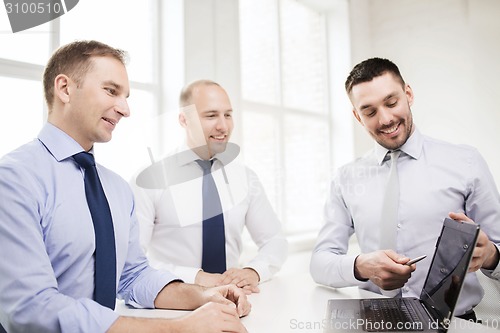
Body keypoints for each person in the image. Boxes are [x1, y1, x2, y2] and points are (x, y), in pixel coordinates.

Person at [0, 40, 250, 333]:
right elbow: (33, 309)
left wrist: (201, 296)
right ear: (65, 88)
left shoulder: (116, 188)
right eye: (111, 90)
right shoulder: (14, 180)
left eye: (126, 96)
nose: (125, 108)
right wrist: (179, 328)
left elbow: (133, 276)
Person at [310, 57, 500, 320]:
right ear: (357, 116)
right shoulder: (346, 178)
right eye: (370, 111)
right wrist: (360, 266)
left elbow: (498, 249)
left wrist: (491, 255)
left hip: (454, 324)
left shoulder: (466, 162)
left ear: (408, 94)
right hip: (375, 322)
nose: (386, 119)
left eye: (391, 102)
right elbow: (320, 263)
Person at [131, 79, 287, 294]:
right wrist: (195, 278)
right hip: (171, 306)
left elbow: (275, 241)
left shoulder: (246, 178)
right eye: (211, 115)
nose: (223, 126)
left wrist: (253, 271)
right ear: (184, 119)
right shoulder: (150, 179)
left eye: (228, 115)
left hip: (236, 303)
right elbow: (132, 261)